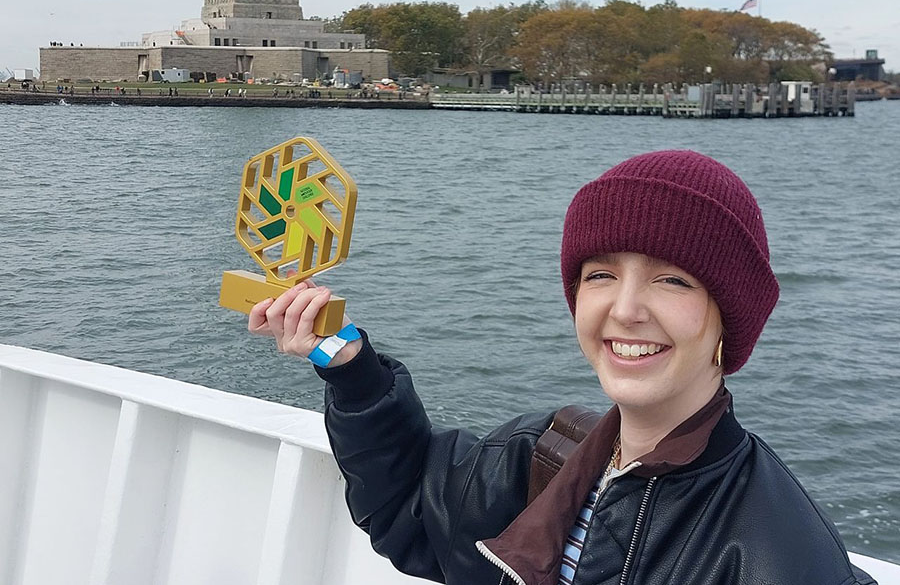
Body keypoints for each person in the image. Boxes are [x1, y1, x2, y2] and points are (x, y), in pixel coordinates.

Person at [248, 150, 876, 585]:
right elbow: (410, 508)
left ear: (727, 321)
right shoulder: (545, 454)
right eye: (600, 275)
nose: (625, 310)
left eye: (673, 280)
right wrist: (346, 362)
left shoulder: (776, 552)